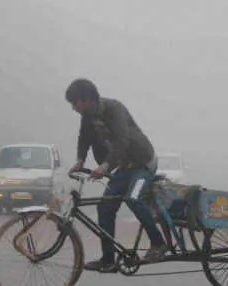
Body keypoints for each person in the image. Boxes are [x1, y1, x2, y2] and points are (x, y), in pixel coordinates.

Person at [66, 78, 167, 273]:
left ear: (86, 99)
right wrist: (79, 161)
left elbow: (122, 142)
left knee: (134, 198)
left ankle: (158, 244)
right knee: (104, 208)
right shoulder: (87, 116)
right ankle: (108, 259)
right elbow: (84, 138)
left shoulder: (114, 109)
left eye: (74, 102)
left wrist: (104, 167)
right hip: (124, 166)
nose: (73, 107)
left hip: (143, 162)